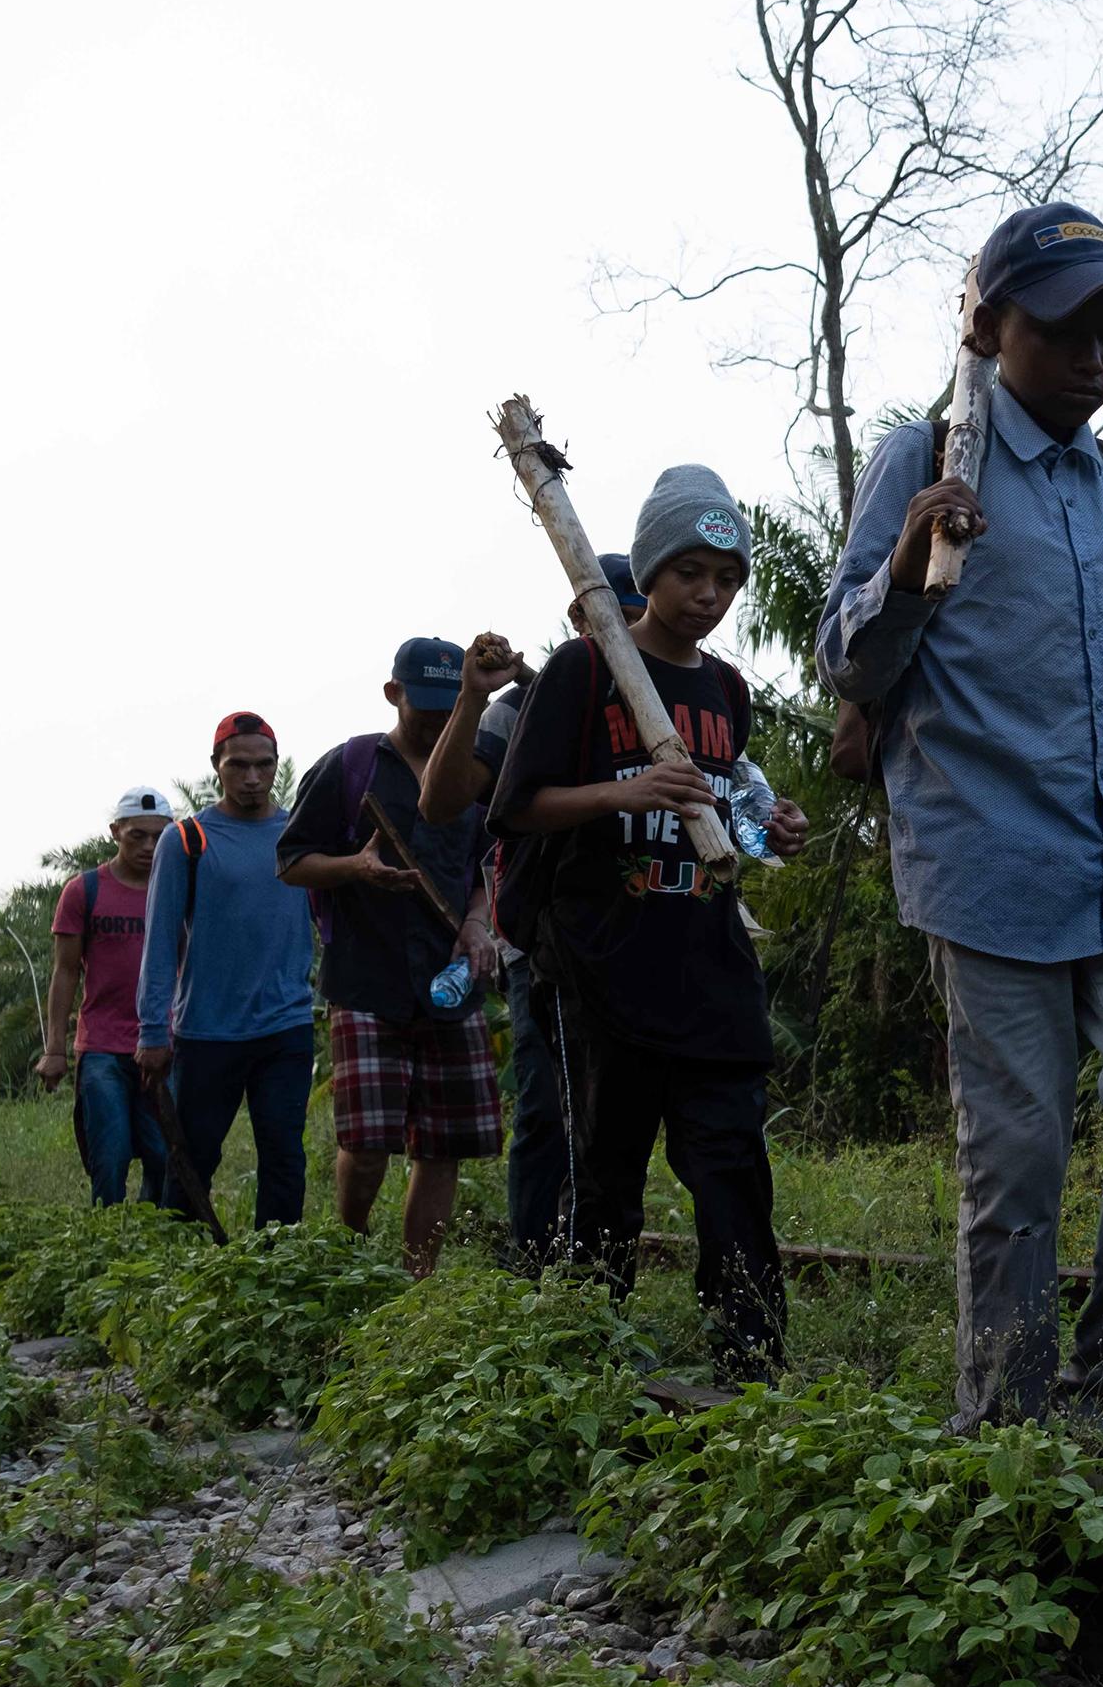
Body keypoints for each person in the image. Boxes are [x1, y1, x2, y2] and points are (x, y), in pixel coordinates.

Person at [815, 202, 1103, 1452]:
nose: (1095, 360)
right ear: (990, 328)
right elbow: (847, 657)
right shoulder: (925, 457)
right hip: (990, 867)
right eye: (1064, 333)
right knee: (1019, 1162)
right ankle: (1004, 1435)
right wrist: (902, 557)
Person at [488, 473, 793, 1374]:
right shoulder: (586, 671)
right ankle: (586, 1357)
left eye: (728, 579)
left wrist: (768, 830)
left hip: (708, 966)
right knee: (605, 1175)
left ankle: (752, 1361)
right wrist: (624, 790)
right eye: (690, 572)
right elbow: (517, 807)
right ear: (650, 571)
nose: (709, 595)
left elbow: (718, 816)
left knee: (733, 1168)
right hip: (603, 971)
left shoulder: (729, 691)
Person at [420, 559, 805, 1268]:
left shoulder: (714, 691)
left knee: (711, 1150)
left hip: (692, 960)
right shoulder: (555, 693)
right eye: (607, 615)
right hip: (570, 956)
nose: (624, 630)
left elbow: (734, 802)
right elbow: (446, 803)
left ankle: (734, 1333)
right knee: (559, 1124)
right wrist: (473, 701)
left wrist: (768, 825)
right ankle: (545, 1278)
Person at [279, 639, 503, 1276]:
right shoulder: (349, 766)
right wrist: (356, 867)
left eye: (450, 704)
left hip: (450, 986)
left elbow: (485, 865)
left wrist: (477, 924)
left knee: (442, 1146)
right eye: (424, 706)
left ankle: (416, 1280)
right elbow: (292, 862)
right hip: (366, 980)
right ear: (393, 694)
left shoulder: (475, 770)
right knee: (369, 1141)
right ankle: (349, 1249)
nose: (437, 720)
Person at [137, 712, 316, 1230]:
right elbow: (160, 940)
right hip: (206, 1032)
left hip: (286, 1026)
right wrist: (152, 1031)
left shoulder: (299, 833)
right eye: (239, 765)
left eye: (264, 765)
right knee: (193, 1158)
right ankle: (174, 1266)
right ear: (216, 766)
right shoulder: (187, 840)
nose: (253, 778)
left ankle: (276, 1265)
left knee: (284, 1155)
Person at [37, 786, 178, 1206]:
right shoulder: (84, 892)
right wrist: (55, 1050)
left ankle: (153, 1238)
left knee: (163, 1154)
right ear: (116, 831)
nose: (149, 846)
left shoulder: (178, 889)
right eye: (137, 835)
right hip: (102, 1048)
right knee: (109, 1154)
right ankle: (105, 1240)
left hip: (163, 1044)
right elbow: (64, 972)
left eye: (160, 835)